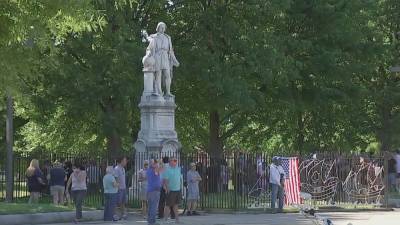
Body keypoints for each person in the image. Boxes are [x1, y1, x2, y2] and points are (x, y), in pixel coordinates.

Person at [145, 22, 179, 96]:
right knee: (158, 74)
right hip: (157, 56)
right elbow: (149, 48)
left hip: (165, 57)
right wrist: (148, 55)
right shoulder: (154, 37)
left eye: (164, 27)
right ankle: (158, 92)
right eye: (161, 27)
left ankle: (168, 92)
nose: (163, 29)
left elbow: (170, 51)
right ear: (158, 28)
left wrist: (175, 60)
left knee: (167, 74)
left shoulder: (168, 37)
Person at [162, 157, 182, 223]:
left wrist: (181, 187)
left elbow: (180, 179)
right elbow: (165, 180)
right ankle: (165, 219)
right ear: (170, 162)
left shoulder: (178, 169)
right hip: (171, 190)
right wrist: (167, 188)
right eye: (174, 160)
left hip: (177, 189)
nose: (175, 162)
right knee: (168, 205)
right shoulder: (167, 170)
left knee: (176, 205)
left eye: (176, 160)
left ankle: (177, 219)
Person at [146, 159, 161, 225]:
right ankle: (152, 221)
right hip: (154, 190)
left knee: (150, 206)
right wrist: (160, 163)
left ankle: (150, 220)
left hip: (150, 190)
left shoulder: (148, 170)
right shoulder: (154, 170)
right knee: (154, 207)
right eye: (155, 163)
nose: (156, 164)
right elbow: (162, 170)